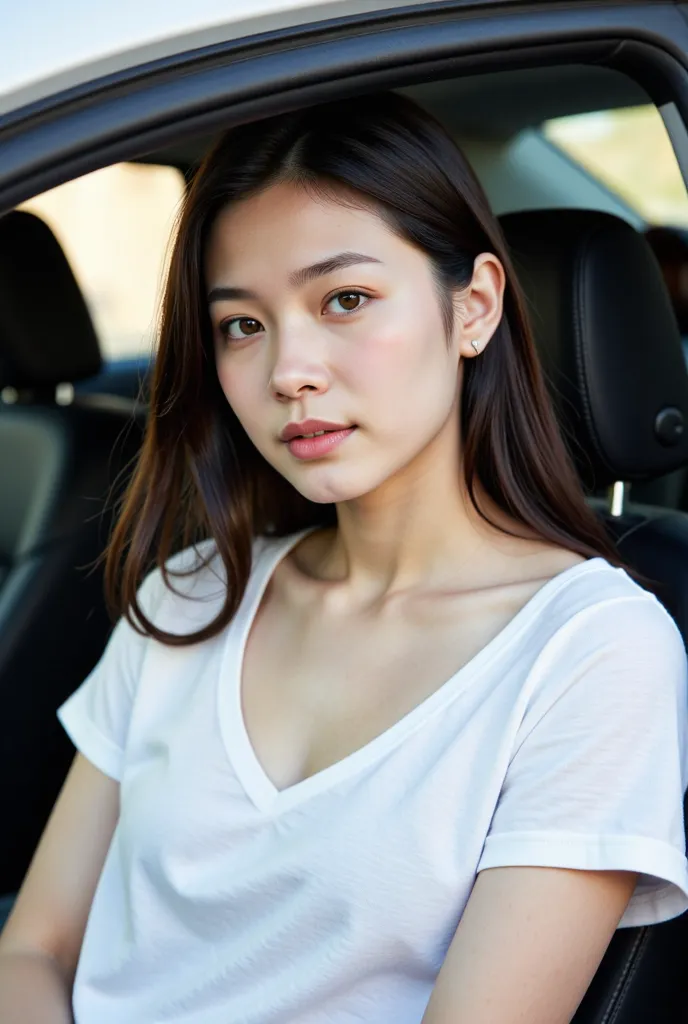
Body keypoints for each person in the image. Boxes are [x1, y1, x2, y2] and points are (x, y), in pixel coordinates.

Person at [1, 91, 687, 1024]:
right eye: (242, 324)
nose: (290, 370)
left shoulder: (591, 652)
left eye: (346, 299)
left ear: (475, 306)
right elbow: (35, 947)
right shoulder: (195, 591)